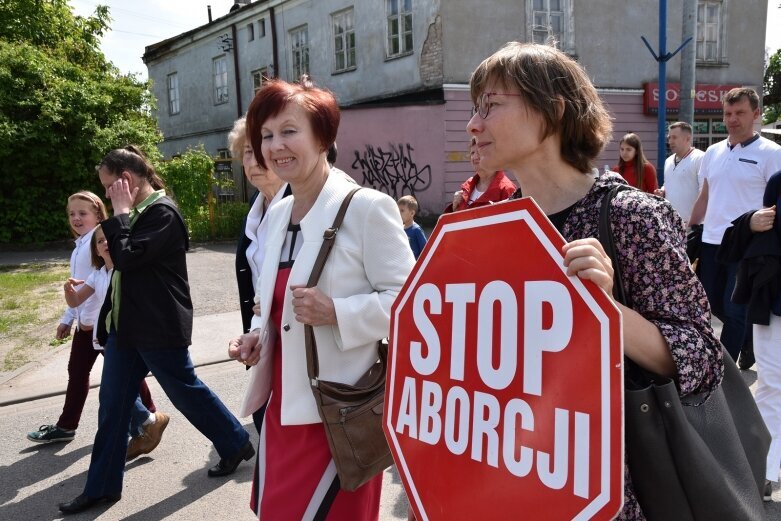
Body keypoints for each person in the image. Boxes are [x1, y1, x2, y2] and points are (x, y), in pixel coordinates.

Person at [466, 41, 723, 520]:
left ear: (554, 110)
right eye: (475, 108)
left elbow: (702, 359)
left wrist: (604, 309)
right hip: (515, 478)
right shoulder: (493, 225)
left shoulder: (630, 215)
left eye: (492, 105)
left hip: (610, 494)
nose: (473, 124)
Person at [228, 76, 415, 519]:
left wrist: (339, 312)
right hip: (281, 413)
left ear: (324, 137)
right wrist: (259, 335)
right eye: (267, 135)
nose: (276, 146)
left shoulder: (367, 207)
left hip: (339, 415)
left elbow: (413, 303)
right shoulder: (276, 213)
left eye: (289, 131)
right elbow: (273, 304)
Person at [58, 146, 253, 516]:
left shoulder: (163, 213)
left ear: (125, 181)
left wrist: (119, 215)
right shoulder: (136, 215)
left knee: (185, 392)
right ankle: (101, 488)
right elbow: (115, 262)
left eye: (107, 186)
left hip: (157, 326)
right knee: (112, 406)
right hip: (125, 328)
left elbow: (126, 259)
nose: (106, 193)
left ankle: (234, 440)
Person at [27, 192, 160, 448]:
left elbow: (108, 285)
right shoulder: (82, 246)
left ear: (99, 214)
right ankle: (67, 426)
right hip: (85, 326)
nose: (76, 218)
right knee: (79, 373)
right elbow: (80, 289)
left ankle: (149, 418)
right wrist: (68, 318)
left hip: (105, 327)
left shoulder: (101, 241)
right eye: (72, 214)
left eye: (83, 213)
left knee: (122, 377)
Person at [689, 87, 781, 363]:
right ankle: (748, 340)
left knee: (734, 309)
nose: (732, 119)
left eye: (740, 112)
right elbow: (705, 195)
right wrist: (689, 228)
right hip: (711, 241)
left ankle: (723, 373)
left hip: (747, 244)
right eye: (728, 113)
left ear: (756, 114)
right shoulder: (713, 152)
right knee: (710, 304)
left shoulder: (772, 153)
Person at [719, 173, 781, 501]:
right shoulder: (778, 180)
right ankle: (763, 470)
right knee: (772, 384)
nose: (730, 117)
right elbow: (759, 232)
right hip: (774, 300)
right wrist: (752, 223)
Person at [229, 115, 289, 437]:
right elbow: (255, 282)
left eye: (260, 151)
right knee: (264, 422)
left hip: (294, 340)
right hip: (264, 336)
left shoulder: (300, 205)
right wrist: (251, 332)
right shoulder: (257, 208)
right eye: (247, 153)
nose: (254, 161)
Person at [444, 136, 516, 213]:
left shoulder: (507, 189)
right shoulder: (468, 185)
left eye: (479, 152)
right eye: (472, 153)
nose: (474, 157)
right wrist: (455, 208)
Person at [655, 122, 705, 224]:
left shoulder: (700, 158)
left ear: (688, 138)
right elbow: (668, 183)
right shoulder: (668, 160)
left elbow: (704, 192)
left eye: (674, 137)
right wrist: (662, 191)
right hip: (671, 223)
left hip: (693, 225)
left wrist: (693, 222)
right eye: (669, 138)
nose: (670, 141)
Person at [397, 195, 427, 259]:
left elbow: (426, 251)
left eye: (402, 211)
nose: (399, 213)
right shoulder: (400, 228)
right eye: (398, 210)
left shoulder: (416, 230)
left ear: (412, 213)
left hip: (414, 266)